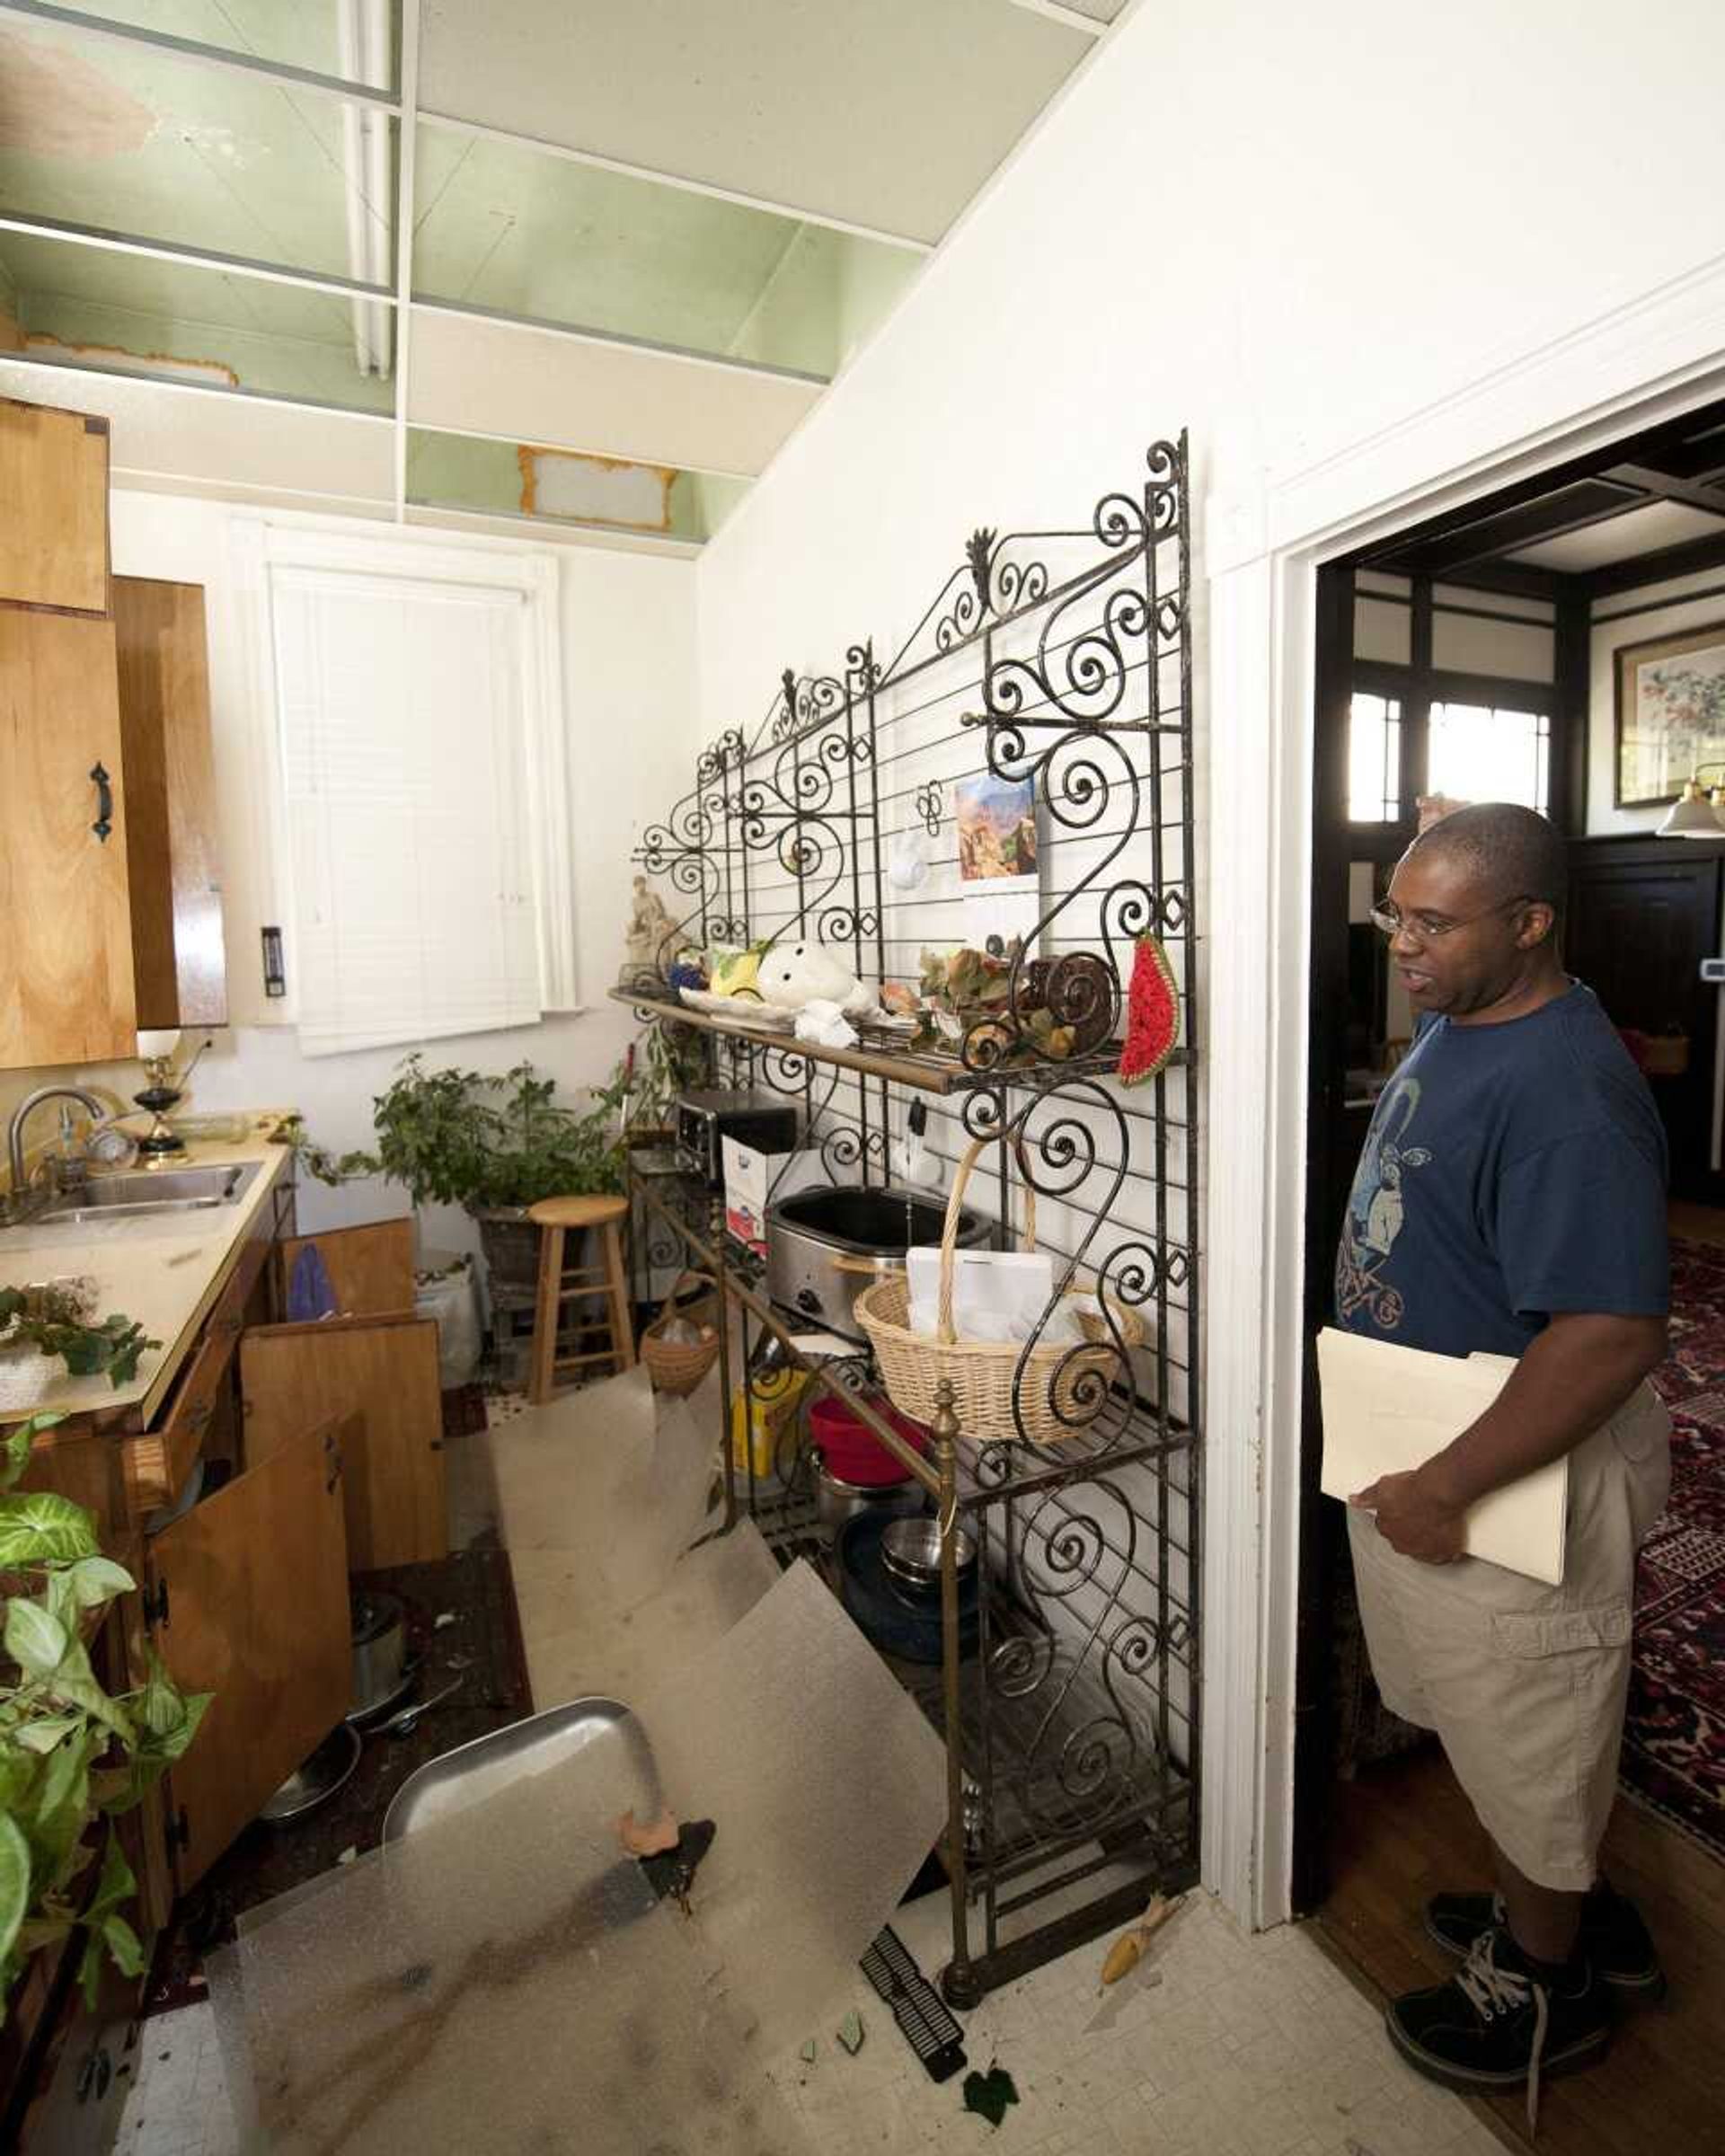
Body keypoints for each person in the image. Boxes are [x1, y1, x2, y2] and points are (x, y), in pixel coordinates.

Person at [1335, 802, 1671, 2121]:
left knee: (1534, 1726)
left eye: (1431, 922)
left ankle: (1549, 1986)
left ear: (1529, 925)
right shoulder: (1463, 1017)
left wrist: (1449, 1483)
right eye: (1396, 916)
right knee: (1489, 1720)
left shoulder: (1569, 1092)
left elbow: (1609, 1338)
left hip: (1505, 1463)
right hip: (1426, 1428)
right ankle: (1564, 1909)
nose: (1403, 943)